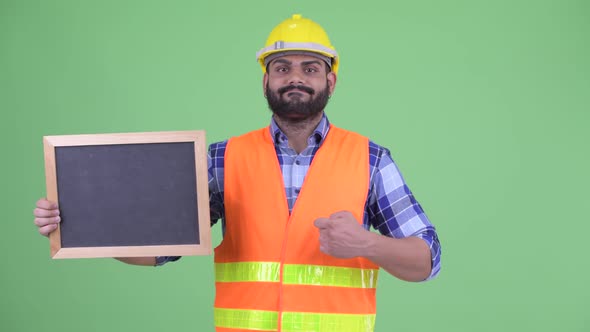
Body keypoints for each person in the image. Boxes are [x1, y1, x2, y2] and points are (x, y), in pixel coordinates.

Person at [33, 14, 441, 332]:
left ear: (330, 81)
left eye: (310, 68)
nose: (295, 76)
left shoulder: (370, 159)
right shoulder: (222, 159)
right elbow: (158, 248)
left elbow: (427, 260)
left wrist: (367, 244)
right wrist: (80, 223)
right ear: (266, 79)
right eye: (282, 67)